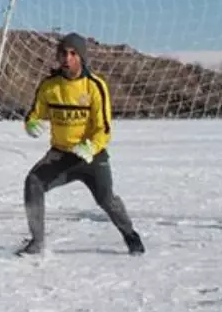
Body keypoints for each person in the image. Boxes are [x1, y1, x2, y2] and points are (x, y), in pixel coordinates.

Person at [18, 33, 145, 256]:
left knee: (107, 200)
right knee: (33, 183)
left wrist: (90, 147)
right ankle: (37, 242)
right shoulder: (49, 86)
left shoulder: (95, 86)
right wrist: (31, 124)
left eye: (73, 53)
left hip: (91, 156)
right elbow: (34, 115)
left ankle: (130, 235)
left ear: (82, 57)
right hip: (60, 155)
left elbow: (103, 128)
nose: (67, 58)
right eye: (63, 53)